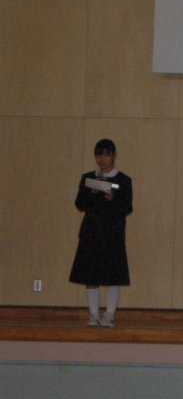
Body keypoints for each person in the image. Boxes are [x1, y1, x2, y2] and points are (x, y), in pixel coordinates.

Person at [69, 139, 133, 327]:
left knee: (112, 276)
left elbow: (127, 207)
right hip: (90, 233)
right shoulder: (88, 178)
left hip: (113, 235)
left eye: (106, 155)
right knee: (90, 276)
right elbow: (80, 204)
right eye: (98, 155)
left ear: (114, 156)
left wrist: (113, 198)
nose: (101, 159)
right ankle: (94, 315)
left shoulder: (123, 180)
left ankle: (109, 315)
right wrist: (91, 190)